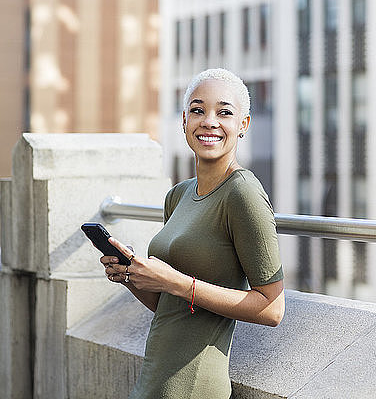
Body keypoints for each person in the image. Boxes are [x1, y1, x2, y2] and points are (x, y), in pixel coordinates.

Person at [101, 68, 285, 399]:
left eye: (224, 112)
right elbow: (168, 304)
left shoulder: (243, 193)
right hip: (153, 382)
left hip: (195, 388)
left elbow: (272, 309)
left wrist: (176, 281)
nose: (209, 121)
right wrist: (131, 275)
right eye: (198, 110)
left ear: (243, 125)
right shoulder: (178, 195)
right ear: (184, 119)